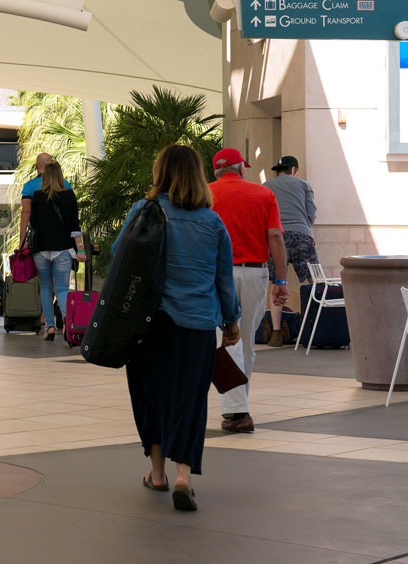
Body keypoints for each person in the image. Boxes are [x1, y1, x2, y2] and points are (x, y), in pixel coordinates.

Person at [123, 145, 240, 513]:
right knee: (189, 401)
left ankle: (156, 474)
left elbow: (120, 255)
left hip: (149, 325)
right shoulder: (212, 222)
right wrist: (231, 320)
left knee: (151, 396)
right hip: (196, 325)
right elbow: (224, 279)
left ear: (160, 172)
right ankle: (183, 478)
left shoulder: (144, 212)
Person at [209, 148, 288, 433]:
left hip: (218, 274)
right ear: (241, 168)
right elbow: (276, 235)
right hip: (255, 273)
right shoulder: (263, 194)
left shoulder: (206, 194)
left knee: (226, 338)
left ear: (216, 170)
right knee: (245, 342)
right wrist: (281, 280)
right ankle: (238, 408)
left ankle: (237, 410)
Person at [264, 155, 318, 347]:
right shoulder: (303, 185)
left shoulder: (266, 186)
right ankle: (318, 328)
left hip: (276, 236)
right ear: (294, 170)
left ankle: (276, 333)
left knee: (277, 284)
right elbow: (311, 214)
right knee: (315, 282)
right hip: (301, 235)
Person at [24, 158, 81, 341]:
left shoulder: (38, 196)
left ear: (45, 176)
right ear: (60, 176)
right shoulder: (69, 196)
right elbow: (74, 226)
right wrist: (80, 250)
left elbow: (33, 224)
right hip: (62, 249)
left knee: (46, 288)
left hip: (41, 249)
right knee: (63, 288)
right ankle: (66, 324)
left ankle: (49, 327)